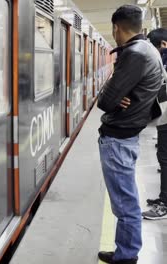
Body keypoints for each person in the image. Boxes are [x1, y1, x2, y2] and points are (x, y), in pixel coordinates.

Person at [96, 5, 163, 264]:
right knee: (125, 200)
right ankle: (125, 250)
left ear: (116, 27)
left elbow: (105, 100)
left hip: (118, 138)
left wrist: (112, 93)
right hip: (129, 135)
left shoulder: (134, 54)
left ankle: (126, 257)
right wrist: (117, 93)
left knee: (125, 204)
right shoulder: (149, 50)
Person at [142, 28, 167, 220]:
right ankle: (163, 198)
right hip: (163, 118)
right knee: (163, 157)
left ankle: (165, 205)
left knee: (165, 158)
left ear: (164, 45)